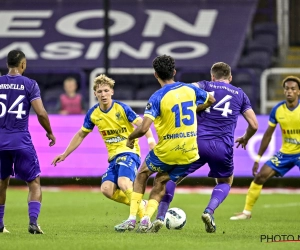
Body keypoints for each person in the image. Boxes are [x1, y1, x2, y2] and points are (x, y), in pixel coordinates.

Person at [149, 62, 258, 233]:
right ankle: (209, 211)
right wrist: (245, 138)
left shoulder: (204, 85)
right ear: (230, 78)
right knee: (225, 181)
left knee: (169, 178)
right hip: (223, 146)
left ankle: (160, 216)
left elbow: (181, 90)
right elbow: (254, 124)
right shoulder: (240, 94)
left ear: (212, 76)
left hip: (196, 143)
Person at [114, 54, 215, 233]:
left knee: (142, 174)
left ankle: (134, 219)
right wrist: (193, 107)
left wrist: (130, 138)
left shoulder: (157, 96)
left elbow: (144, 128)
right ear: (174, 72)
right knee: (161, 181)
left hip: (168, 149)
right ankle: (146, 218)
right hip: (190, 152)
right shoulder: (190, 89)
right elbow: (211, 100)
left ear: (155, 75)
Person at [51, 74, 156, 219]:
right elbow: (81, 134)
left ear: (112, 91)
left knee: (123, 183)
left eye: (106, 90)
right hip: (113, 157)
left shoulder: (121, 108)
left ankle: (143, 218)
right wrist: (64, 154)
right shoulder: (93, 114)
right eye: (99, 92)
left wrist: (151, 141)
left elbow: (144, 124)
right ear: (95, 94)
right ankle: (141, 203)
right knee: (107, 190)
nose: (103, 94)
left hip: (129, 152)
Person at [0, 50, 56, 234]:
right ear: (23, 64)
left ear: (8, 64)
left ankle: (0, 224)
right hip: (20, 140)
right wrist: (49, 132)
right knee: (34, 182)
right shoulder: (29, 84)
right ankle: (33, 223)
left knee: (2, 181)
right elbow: (40, 113)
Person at [230, 76, 300, 220]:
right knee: (260, 176)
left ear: (298, 92)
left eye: (293, 89)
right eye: (287, 88)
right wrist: (258, 159)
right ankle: (246, 212)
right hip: (285, 153)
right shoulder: (278, 110)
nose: (289, 92)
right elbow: (268, 135)